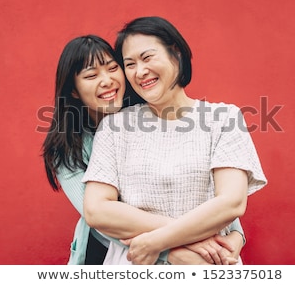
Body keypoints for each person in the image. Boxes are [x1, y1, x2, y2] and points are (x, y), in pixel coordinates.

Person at [42, 35, 247, 265]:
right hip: (110, 251)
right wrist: (177, 246)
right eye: (91, 76)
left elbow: (208, 187)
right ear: (74, 91)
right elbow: (101, 220)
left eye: (113, 68)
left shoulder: (145, 113)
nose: (107, 80)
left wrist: (235, 234)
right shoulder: (68, 148)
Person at [82, 16, 268, 265]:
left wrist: (157, 242)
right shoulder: (114, 127)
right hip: (136, 265)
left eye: (147, 58)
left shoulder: (224, 118)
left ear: (176, 54)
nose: (140, 71)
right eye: (129, 64)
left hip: (208, 266)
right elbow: (97, 210)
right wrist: (185, 238)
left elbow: (231, 203)